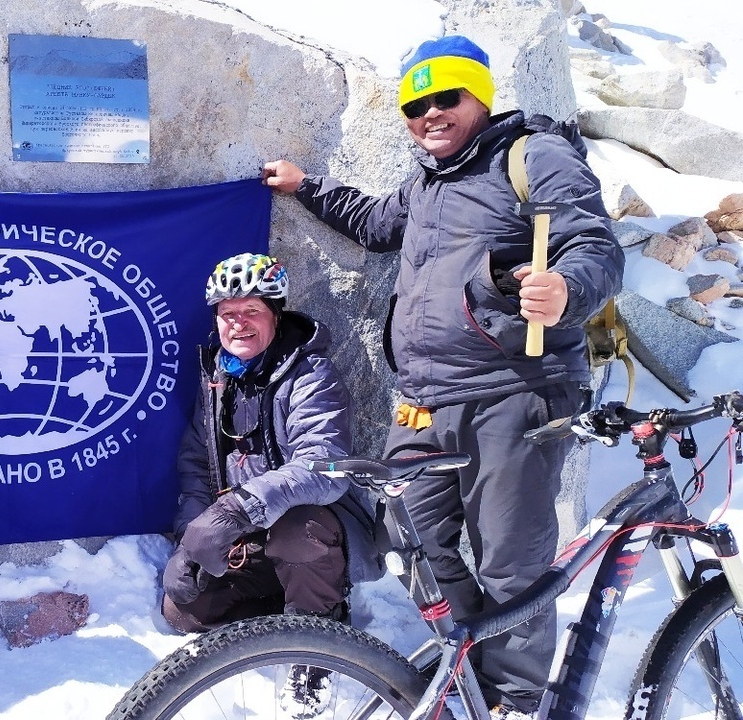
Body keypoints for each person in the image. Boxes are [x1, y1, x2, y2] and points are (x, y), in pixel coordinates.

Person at [262, 35, 624, 717]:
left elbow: (593, 244)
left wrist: (566, 289)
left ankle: (512, 699)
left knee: (510, 558)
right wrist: (306, 186)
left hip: (514, 389)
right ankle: (472, 659)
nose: (430, 113)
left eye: (446, 97)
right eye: (415, 104)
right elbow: (375, 224)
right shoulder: (429, 180)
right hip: (425, 399)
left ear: (479, 97)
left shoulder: (532, 156)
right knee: (411, 537)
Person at [160, 252, 381, 714]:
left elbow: (323, 465)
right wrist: (190, 539)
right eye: (227, 314)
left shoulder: (311, 374)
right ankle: (284, 619)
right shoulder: (217, 378)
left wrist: (235, 509)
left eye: (251, 311)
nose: (238, 323)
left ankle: (316, 641)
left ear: (276, 316)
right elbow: (197, 464)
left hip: (310, 527)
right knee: (183, 610)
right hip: (248, 535)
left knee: (296, 535)